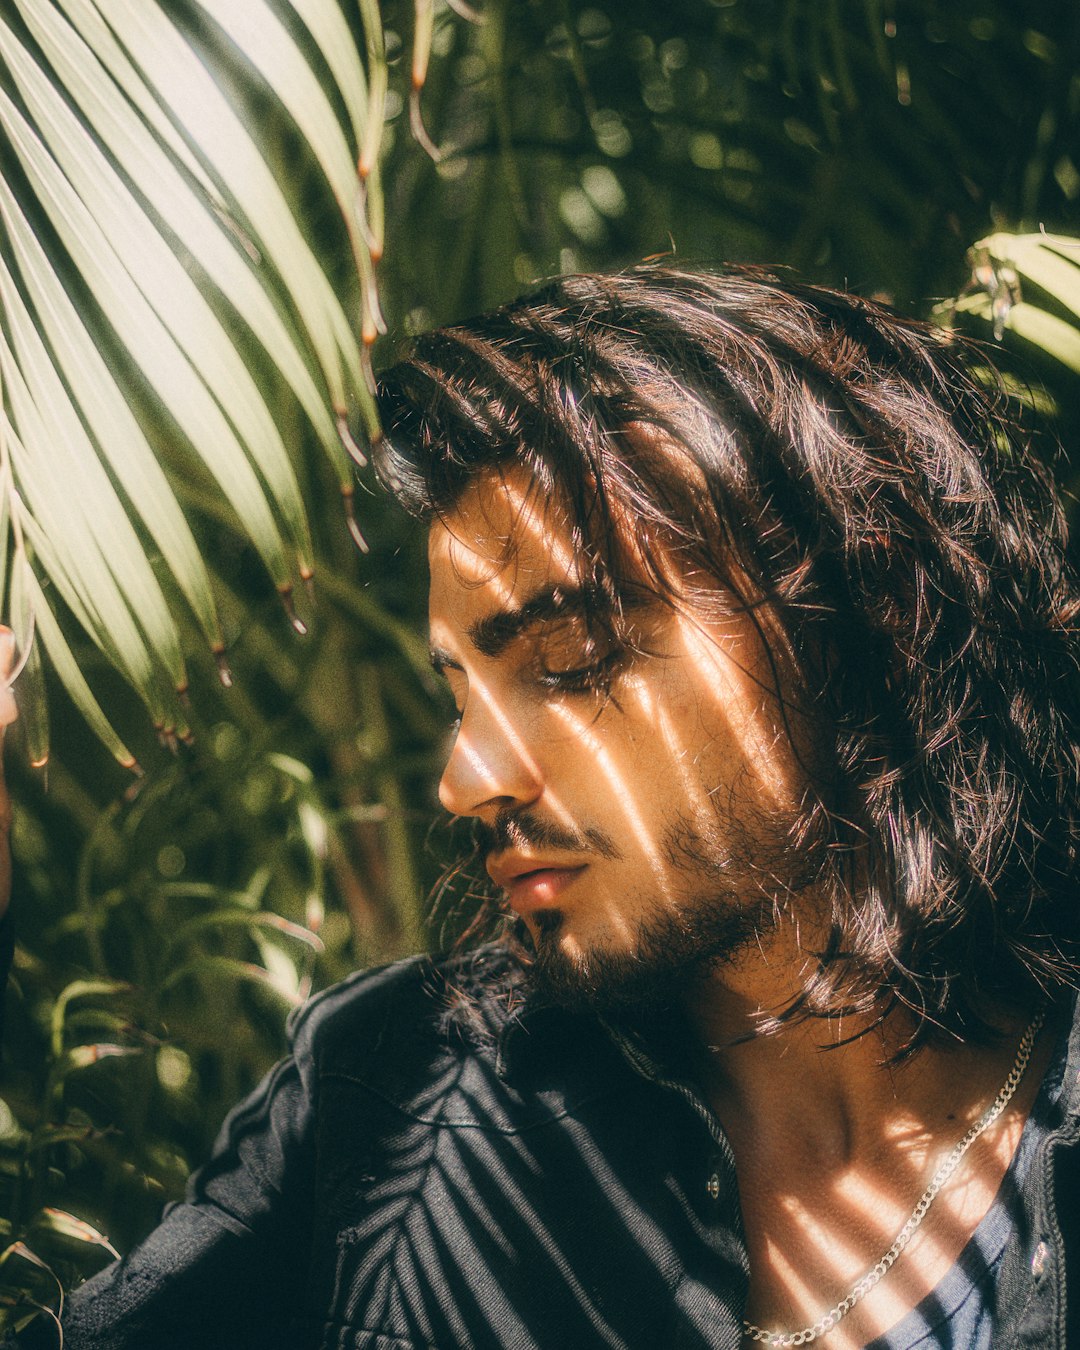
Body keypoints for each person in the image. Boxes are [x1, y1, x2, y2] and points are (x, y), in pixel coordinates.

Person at [5, 265, 1080, 1349]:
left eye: (568, 661)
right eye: (458, 692)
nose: (468, 781)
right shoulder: (385, 1107)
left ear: (854, 615)